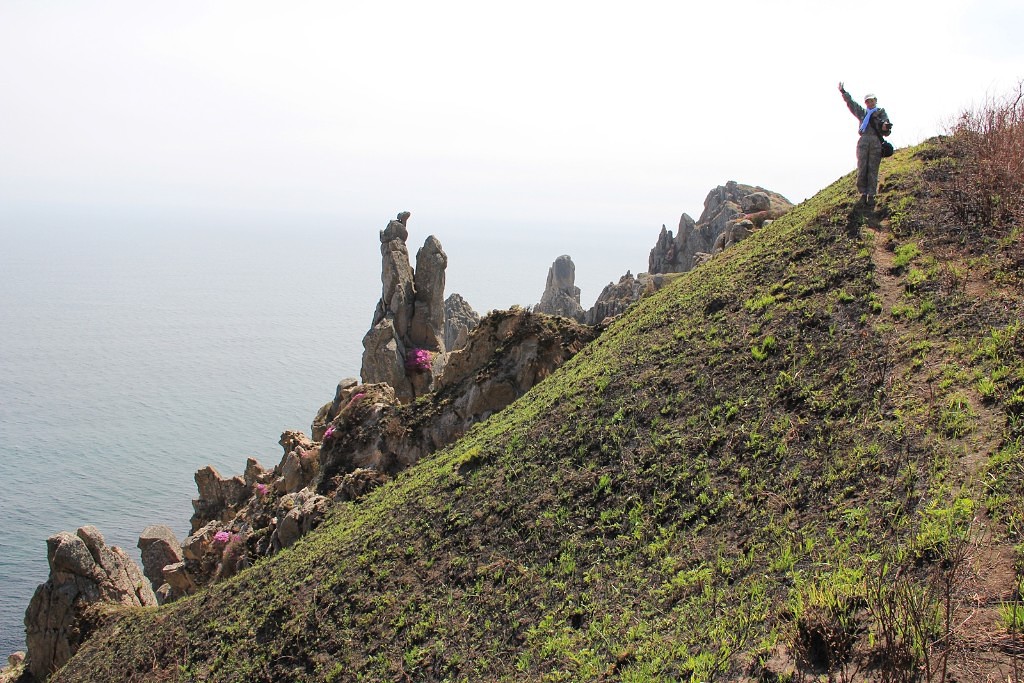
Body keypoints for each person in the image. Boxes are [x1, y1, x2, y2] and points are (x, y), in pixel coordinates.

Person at [838, 82, 892, 206]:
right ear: (865, 103)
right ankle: (863, 194)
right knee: (862, 168)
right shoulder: (862, 113)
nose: (870, 103)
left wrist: (884, 127)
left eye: (872, 101)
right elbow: (852, 104)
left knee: (873, 169)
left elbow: (886, 130)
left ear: (875, 101)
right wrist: (844, 93)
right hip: (863, 142)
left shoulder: (881, 113)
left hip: (876, 143)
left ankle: (872, 195)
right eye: (868, 101)